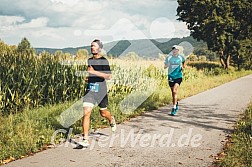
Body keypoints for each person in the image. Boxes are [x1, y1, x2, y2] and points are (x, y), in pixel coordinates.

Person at [79, 39, 116, 147]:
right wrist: (89, 78)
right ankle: (85, 139)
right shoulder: (90, 60)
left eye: (94, 46)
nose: (92, 48)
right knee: (86, 112)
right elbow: (91, 73)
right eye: (91, 46)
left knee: (103, 113)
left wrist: (94, 72)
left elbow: (108, 76)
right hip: (90, 90)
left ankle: (111, 119)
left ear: (99, 48)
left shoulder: (104, 60)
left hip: (101, 91)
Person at [164, 45, 186, 116]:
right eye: (173, 50)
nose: (174, 51)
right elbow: (164, 67)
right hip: (171, 77)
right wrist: (168, 64)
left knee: (174, 91)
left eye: (176, 50)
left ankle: (174, 108)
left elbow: (184, 63)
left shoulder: (181, 57)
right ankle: (176, 103)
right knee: (173, 93)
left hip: (178, 76)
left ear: (178, 51)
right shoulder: (169, 57)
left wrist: (183, 67)